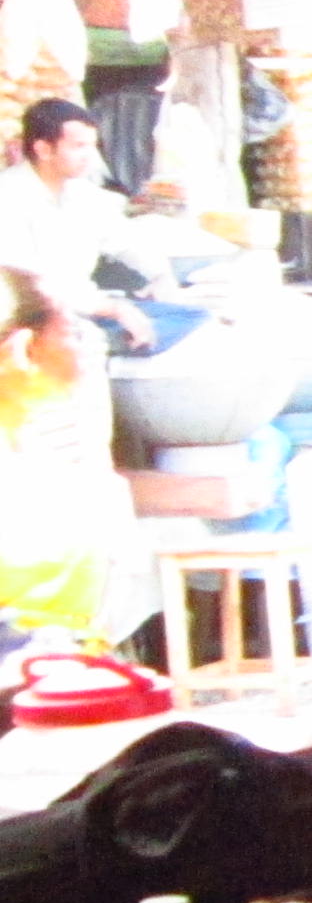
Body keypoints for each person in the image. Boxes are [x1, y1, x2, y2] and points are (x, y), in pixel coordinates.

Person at [0, 266, 141, 654]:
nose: (80, 348)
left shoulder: (35, 448)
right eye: (69, 332)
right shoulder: (39, 486)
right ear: (23, 349)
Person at [0, 98, 185, 353]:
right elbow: (34, 286)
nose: (90, 156)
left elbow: (125, 240)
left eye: (92, 146)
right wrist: (113, 308)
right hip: (29, 323)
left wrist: (160, 274)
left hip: (84, 311)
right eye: (78, 146)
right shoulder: (8, 196)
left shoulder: (84, 194)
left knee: (190, 318)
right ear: (43, 149)